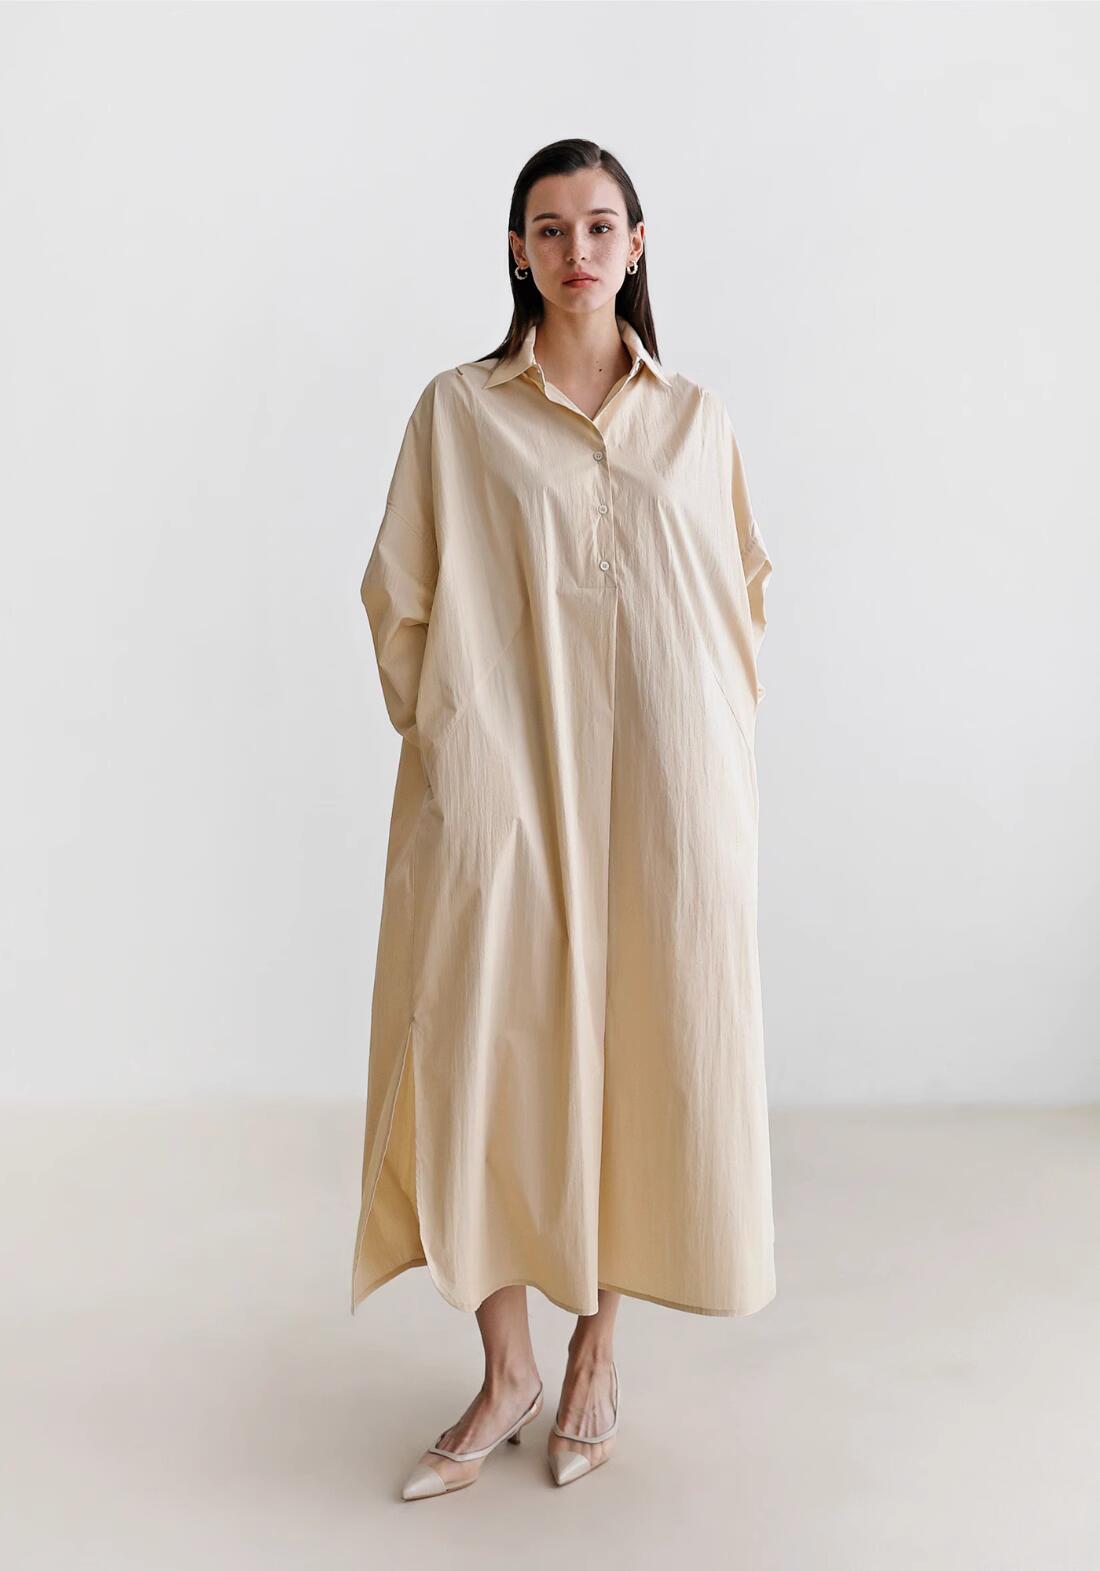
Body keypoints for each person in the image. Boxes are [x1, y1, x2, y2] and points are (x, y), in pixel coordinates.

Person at [351, 138, 777, 1500]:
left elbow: (741, 593)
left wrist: (705, 751)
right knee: (479, 1044)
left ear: (637, 244)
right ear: (517, 251)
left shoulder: (696, 419)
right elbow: (401, 592)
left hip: (662, 792)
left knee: (643, 1042)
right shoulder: (458, 412)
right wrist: (456, 745)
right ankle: (507, 1367)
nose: (576, 250)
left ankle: (596, 1355)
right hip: (503, 785)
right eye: (549, 227)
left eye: (600, 226)